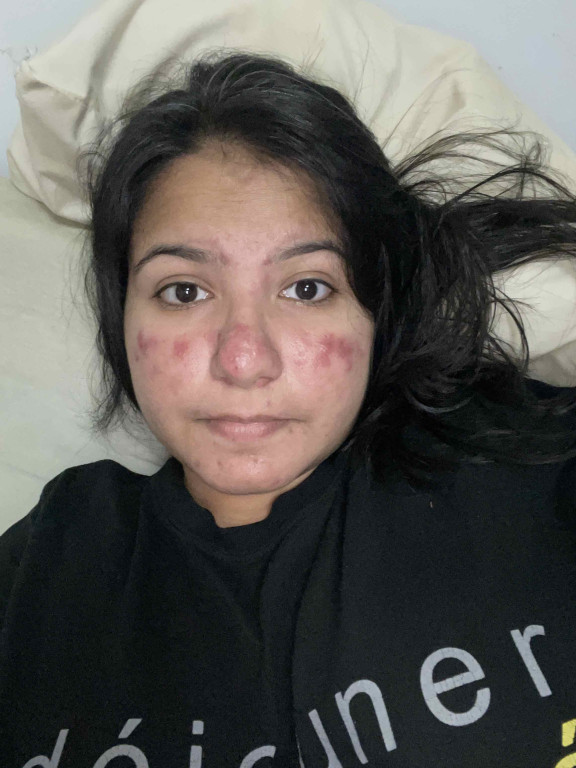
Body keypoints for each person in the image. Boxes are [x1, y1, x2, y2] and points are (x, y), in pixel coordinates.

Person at [0, 51, 575, 768]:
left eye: (307, 288)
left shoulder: (529, 463)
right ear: (122, 320)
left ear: (375, 311)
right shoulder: (47, 569)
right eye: (184, 291)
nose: (244, 360)